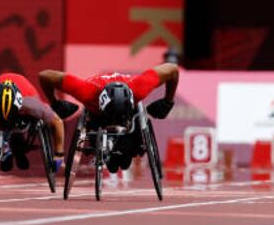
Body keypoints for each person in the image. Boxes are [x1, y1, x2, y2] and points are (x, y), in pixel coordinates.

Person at [39, 63, 179, 172]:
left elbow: (173, 69)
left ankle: (127, 148)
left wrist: (168, 100)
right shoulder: (86, 91)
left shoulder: (139, 88)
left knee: (126, 160)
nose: (114, 123)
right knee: (111, 164)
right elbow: (44, 75)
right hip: (97, 116)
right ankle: (107, 148)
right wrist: (54, 102)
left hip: (128, 115)